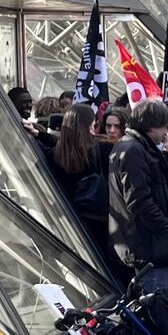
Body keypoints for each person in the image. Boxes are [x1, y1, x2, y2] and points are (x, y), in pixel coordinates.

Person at [109, 99, 168, 291]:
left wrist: (167, 158)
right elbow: (139, 200)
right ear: (152, 125)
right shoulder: (134, 150)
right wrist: (167, 230)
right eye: (164, 127)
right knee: (160, 305)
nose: (166, 133)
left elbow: (153, 183)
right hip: (151, 245)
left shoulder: (134, 146)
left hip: (148, 243)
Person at [49, 103, 113, 267]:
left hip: (68, 221)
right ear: (90, 125)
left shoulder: (53, 156)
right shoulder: (102, 151)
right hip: (98, 220)